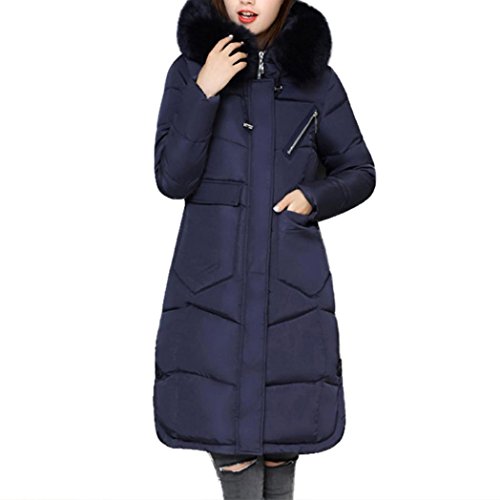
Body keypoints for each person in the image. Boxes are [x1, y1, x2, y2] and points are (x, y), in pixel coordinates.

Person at [152, 0, 376, 498]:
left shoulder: (316, 81)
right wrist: (204, 91)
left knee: (282, 447)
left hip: (290, 291)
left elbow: (360, 171)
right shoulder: (190, 71)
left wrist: (312, 197)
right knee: (231, 448)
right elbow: (173, 178)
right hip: (213, 292)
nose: (248, 1)